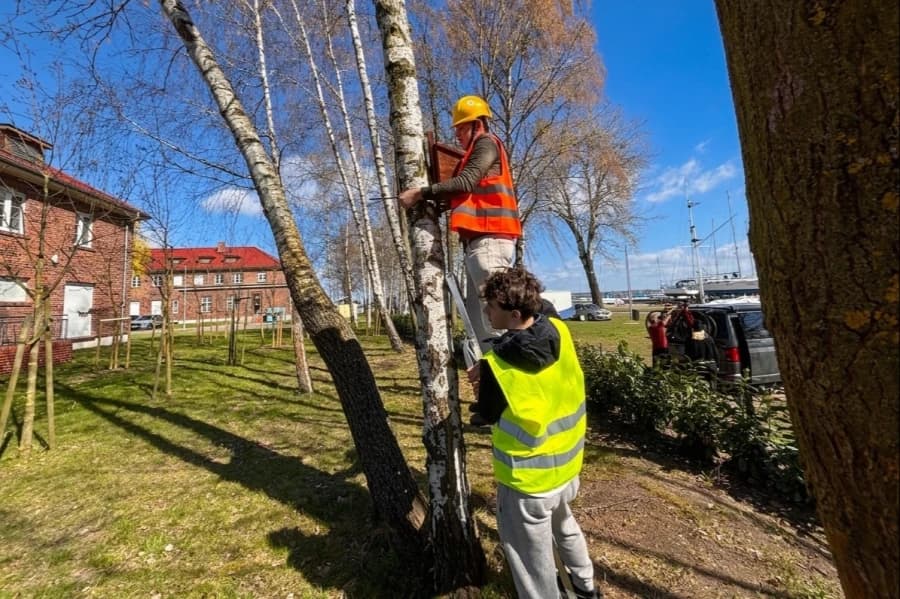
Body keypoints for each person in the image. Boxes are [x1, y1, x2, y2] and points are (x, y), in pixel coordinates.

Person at [467, 267, 600, 599]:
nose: (485, 312)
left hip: (527, 482)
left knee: (532, 559)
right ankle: (586, 586)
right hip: (566, 470)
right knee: (565, 527)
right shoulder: (558, 329)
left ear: (513, 314)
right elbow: (540, 312)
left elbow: (484, 415)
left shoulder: (497, 367)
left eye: (491, 308)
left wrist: (479, 382)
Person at [398, 95, 522, 352]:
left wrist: (420, 192)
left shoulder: (486, 143)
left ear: (478, 123)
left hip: (490, 240)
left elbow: (465, 182)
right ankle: (494, 382)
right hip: (482, 243)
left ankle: (510, 383)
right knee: (483, 328)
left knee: (497, 323)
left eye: (461, 127)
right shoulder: (477, 150)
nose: (457, 134)